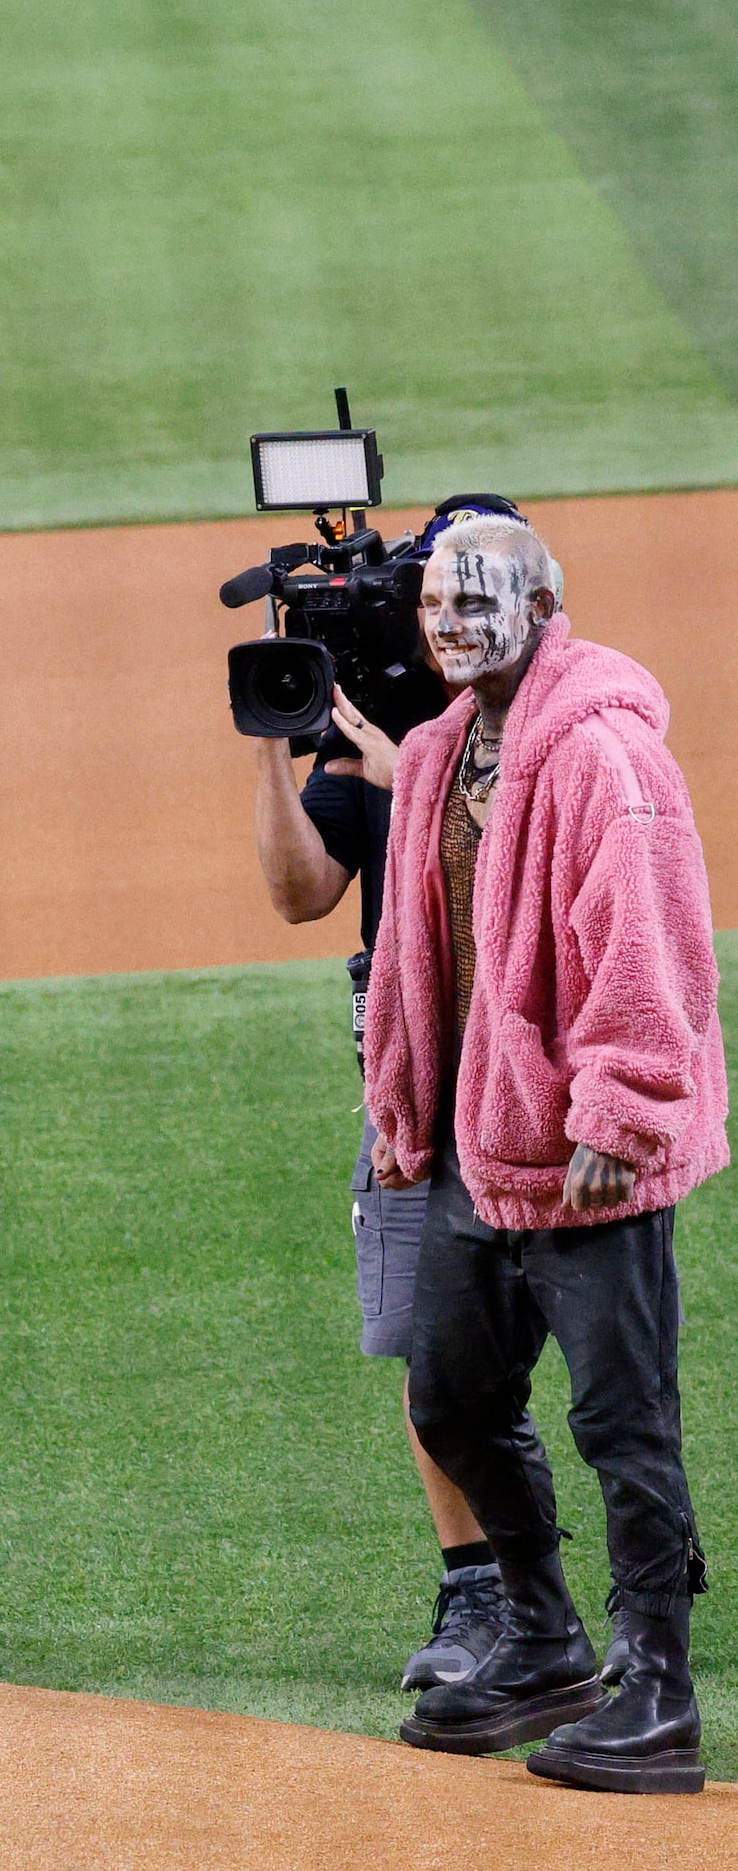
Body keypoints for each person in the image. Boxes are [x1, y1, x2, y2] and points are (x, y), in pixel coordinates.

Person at [367, 513, 725, 1793]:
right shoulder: (435, 755)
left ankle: (662, 1696)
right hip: (478, 1144)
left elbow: (651, 941)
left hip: (586, 1155)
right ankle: (540, 1639)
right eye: (437, 607)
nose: (457, 624)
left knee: (624, 1427)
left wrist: (620, 1119)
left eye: (483, 601)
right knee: (450, 1398)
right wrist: (404, 1103)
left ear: (546, 604)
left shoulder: (604, 754)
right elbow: (419, 958)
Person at [249, 497, 544, 1692]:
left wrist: (408, 771)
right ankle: (480, 1592)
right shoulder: (381, 734)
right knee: (433, 1353)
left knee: (602, 1358)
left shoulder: (561, 729)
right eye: (436, 591)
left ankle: (633, 1594)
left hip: (540, 1078)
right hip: (415, 1080)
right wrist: (270, 742)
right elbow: (299, 892)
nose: (452, 616)